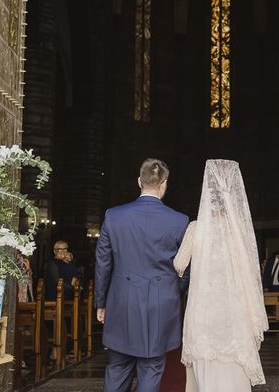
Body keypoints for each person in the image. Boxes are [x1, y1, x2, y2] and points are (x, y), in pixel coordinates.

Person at [95, 158, 189, 392]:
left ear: (139, 181)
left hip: (121, 301)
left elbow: (103, 263)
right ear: (164, 184)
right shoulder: (179, 220)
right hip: (161, 304)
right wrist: (171, 292)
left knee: (117, 367)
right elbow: (186, 269)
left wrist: (101, 302)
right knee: (152, 368)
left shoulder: (114, 216)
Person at [174, 159, 268, 391]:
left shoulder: (196, 228)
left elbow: (179, 264)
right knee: (233, 364)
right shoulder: (240, 231)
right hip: (234, 311)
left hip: (204, 310)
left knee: (207, 361)